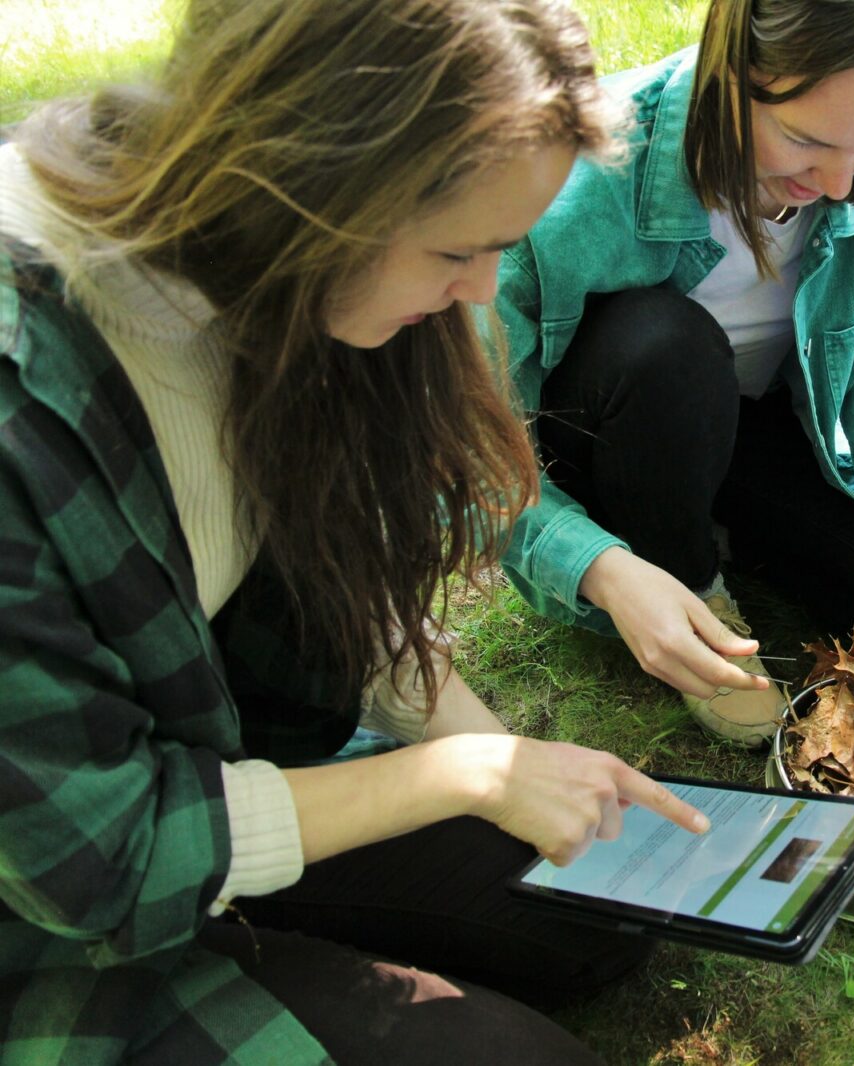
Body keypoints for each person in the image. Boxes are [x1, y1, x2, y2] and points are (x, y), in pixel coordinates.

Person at [0, 0, 710, 1062]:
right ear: (314, 181)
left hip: (208, 765)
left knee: (597, 916)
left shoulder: (285, 268)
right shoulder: (26, 395)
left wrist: (494, 750)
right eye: (457, 253)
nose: (482, 293)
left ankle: (263, 935)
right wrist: (463, 777)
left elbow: (334, 582)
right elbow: (95, 859)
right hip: (53, 901)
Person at [496, 0, 854, 746]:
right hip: (617, 419)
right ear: (731, 71)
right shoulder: (583, 175)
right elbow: (459, 442)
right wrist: (597, 566)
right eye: (805, 140)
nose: (838, 184)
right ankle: (685, 580)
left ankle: (725, 525)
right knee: (670, 347)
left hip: (754, 422)